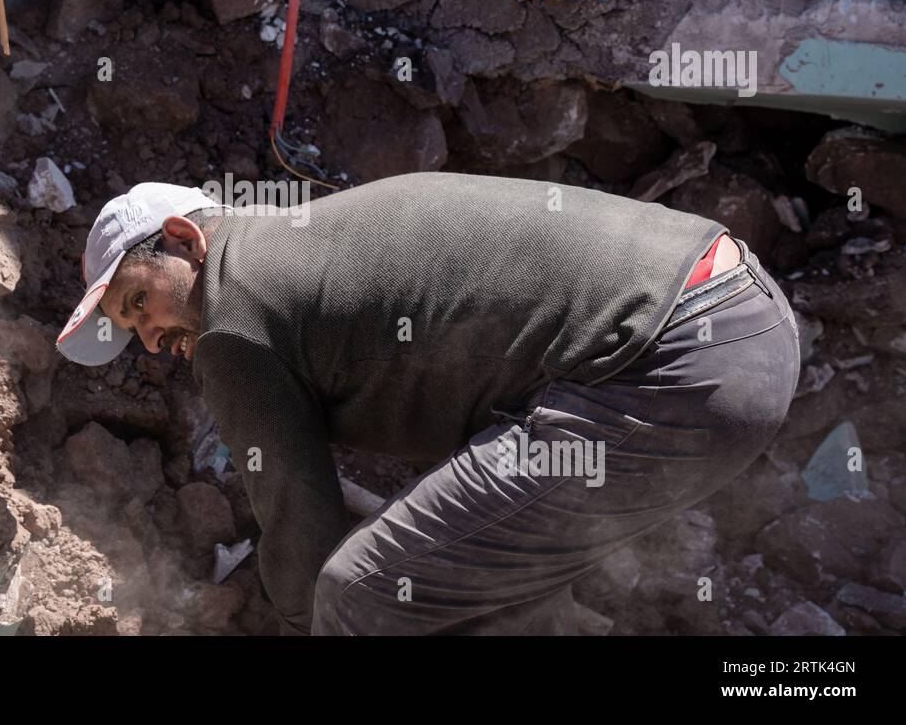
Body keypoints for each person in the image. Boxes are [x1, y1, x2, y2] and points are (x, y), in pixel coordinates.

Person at [55, 172, 801, 635]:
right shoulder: (296, 241)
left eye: (138, 304)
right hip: (738, 322)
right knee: (476, 597)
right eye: (132, 334)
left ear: (186, 239)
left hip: (668, 364)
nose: (152, 341)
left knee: (359, 594)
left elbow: (299, 522)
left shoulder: (231, 316)